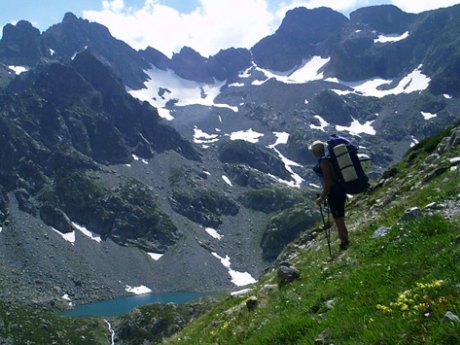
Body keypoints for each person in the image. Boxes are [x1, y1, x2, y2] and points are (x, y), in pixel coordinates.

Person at [310, 140, 349, 250]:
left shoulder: (323, 162)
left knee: (338, 218)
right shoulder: (328, 159)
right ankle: (344, 241)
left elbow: (328, 181)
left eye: (312, 151)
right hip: (338, 192)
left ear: (315, 151)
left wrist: (322, 197)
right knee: (338, 217)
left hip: (335, 193)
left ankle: (345, 243)